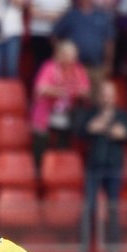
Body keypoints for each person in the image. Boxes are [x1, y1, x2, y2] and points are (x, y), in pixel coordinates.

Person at [79, 81, 127, 251]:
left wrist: (122, 133)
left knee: (113, 208)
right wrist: (91, 127)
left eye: (109, 95)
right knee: (90, 206)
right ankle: (86, 246)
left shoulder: (122, 116)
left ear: (115, 97)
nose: (106, 98)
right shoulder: (91, 114)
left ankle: (113, 247)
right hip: (94, 166)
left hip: (113, 167)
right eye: (104, 94)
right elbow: (80, 131)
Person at [30, 41, 89, 173]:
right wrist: (58, 91)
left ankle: (60, 171)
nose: (71, 59)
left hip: (68, 114)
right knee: (41, 139)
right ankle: (40, 169)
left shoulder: (78, 69)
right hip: (47, 112)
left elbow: (85, 91)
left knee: (65, 141)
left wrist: (75, 91)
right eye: (67, 55)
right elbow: (40, 88)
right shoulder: (49, 67)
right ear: (60, 55)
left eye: (73, 56)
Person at [52, 0, 115, 98]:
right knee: (76, 101)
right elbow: (55, 36)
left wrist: (109, 63)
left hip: (97, 66)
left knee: (97, 100)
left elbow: (109, 41)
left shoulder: (102, 15)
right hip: (74, 68)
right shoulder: (70, 15)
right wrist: (61, 55)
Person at [27, 0, 72, 74]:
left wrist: (43, 12)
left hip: (57, 34)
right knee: (40, 65)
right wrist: (53, 14)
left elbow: (66, 14)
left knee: (57, 65)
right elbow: (33, 12)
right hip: (39, 33)